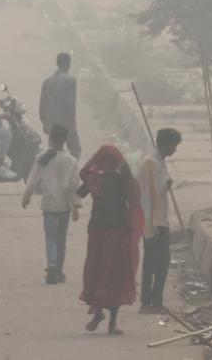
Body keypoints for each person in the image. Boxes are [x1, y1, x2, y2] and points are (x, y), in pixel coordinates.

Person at [76, 144, 144, 336]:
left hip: (118, 233)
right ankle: (97, 313)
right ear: (99, 161)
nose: (108, 164)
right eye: (104, 160)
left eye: (112, 161)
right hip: (98, 232)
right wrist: (74, 206)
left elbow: (134, 196)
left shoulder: (124, 179)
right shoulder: (94, 178)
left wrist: (128, 171)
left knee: (115, 277)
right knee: (96, 272)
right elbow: (79, 193)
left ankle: (112, 323)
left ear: (117, 163)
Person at [22, 125, 82, 285]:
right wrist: (75, 206)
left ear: (50, 138)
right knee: (61, 238)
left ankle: (52, 265)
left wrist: (26, 197)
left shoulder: (43, 157)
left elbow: (32, 179)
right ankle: (59, 270)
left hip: (49, 205)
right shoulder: (71, 161)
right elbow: (74, 185)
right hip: (64, 207)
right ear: (65, 140)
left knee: (50, 237)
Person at [138, 127, 180, 313]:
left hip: (161, 219)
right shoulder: (150, 163)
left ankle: (156, 301)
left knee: (162, 263)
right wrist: (149, 224)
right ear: (167, 144)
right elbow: (147, 196)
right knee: (152, 264)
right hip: (154, 222)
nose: (175, 150)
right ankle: (148, 302)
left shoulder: (159, 162)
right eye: (174, 145)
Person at [39, 52, 82, 158]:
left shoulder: (47, 81)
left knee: (53, 151)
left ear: (57, 63)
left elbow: (42, 104)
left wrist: (44, 122)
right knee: (75, 150)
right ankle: (71, 172)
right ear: (69, 64)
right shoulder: (70, 81)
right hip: (66, 122)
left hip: (51, 123)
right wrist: (72, 122)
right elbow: (70, 104)